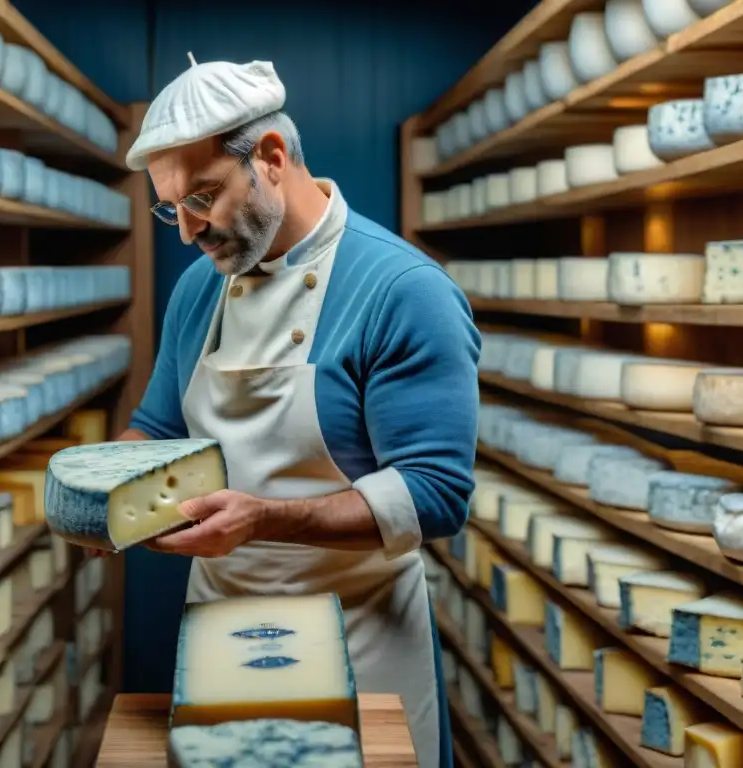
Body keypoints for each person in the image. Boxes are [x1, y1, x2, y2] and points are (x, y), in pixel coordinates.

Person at [116, 54, 480, 768]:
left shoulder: (404, 290)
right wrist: (103, 495)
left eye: (203, 197)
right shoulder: (200, 287)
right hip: (222, 629)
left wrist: (267, 519)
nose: (187, 231)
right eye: (170, 207)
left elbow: (434, 495)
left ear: (273, 158)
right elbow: (158, 429)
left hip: (359, 636)